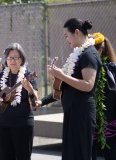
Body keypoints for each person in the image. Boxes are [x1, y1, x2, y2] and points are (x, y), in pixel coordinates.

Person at [34, 18, 102, 160]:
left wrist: (62, 76)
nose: (66, 39)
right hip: (72, 112)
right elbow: (67, 87)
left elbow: (88, 84)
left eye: (66, 35)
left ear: (76, 32)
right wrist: (43, 99)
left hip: (81, 113)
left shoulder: (89, 54)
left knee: (80, 154)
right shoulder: (78, 54)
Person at [0, 43, 38, 160]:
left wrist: (29, 87)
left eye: (16, 57)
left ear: (22, 59)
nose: (12, 60)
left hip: (23, 125)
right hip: (2, 124)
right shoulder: (1, 76)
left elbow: (35, 100)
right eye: (10, 57)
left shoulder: (28, 75)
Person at [89, 32, 116, 160]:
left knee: (110, 151)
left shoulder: (111, 69)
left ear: (99, 51)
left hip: (110, 122)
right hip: (92, 120)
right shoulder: (87, 69)